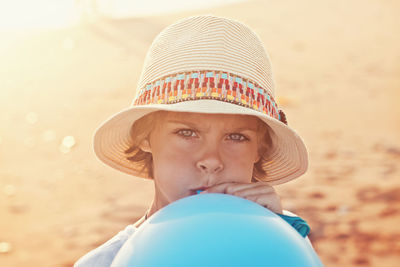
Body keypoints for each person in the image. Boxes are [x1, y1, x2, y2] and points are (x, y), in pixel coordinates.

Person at [74, 15, 312, 267]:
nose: (211, 160)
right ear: (144, 137)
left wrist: (275, 238)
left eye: (236, 136)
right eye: (187, 133)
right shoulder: (106, 263)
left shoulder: (287, 239)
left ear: (259, 150)